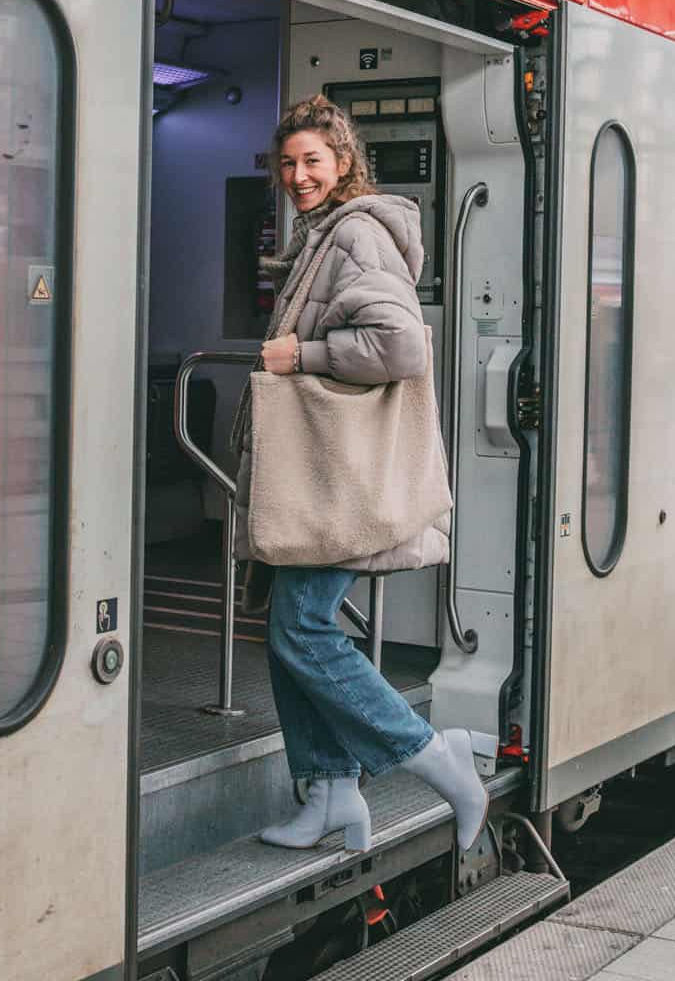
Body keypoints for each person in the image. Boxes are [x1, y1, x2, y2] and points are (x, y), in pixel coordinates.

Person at [232, 94, 487, 856]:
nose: (298, 175)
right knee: (290, 630)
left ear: (343, 164)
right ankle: (332, 793)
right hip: (321, 478)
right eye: (287, 163)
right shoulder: (323, 236)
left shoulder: (356, 235)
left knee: (304, 629)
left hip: (337, 478)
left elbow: (401, 347)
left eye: (312, 160)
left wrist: (301, 356)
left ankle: (439, 760)